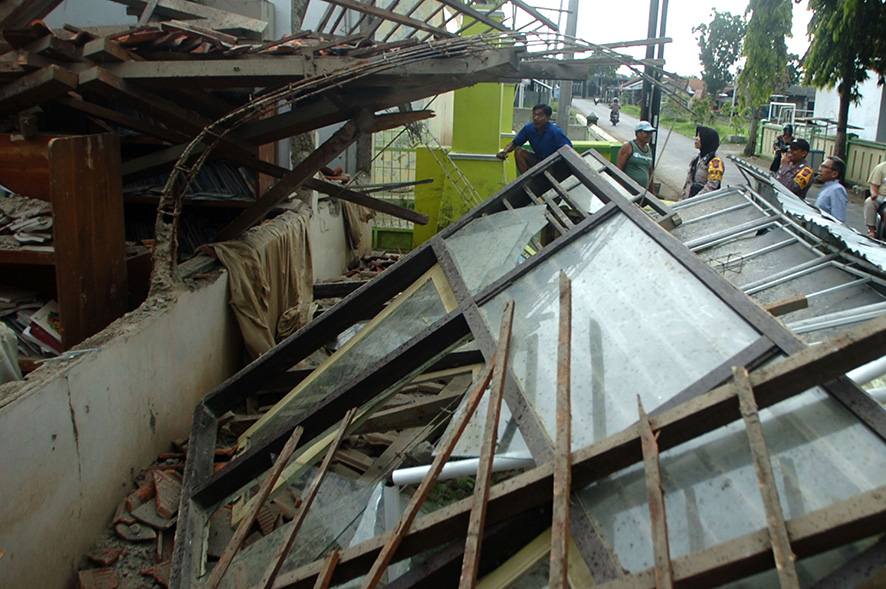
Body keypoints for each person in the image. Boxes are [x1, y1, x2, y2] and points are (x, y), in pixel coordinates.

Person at [497, 103, 572, 174]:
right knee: (519, 152)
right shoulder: (528, 128)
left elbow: (568, 150)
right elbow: (515, 143)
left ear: (548, 118)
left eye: (540, 116)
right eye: (534, 114)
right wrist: (505, 151)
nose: (536, 118)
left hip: (554, 164)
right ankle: (526, 180)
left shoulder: (555, 131)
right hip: (540, 161)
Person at [681, 126, 724, 200]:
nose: (696, 138)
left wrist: (695, 200)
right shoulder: (696, 159)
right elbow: (688, 183)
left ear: (707, 140)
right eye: (697, 135)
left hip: (703, 202)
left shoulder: (714, 162)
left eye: (700, 136)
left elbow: (712, 186)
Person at [617, 121, 656, 194]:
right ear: (638, 133)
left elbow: (650, 172)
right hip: (628, 191)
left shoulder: (648, 149)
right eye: (646, 132)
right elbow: (619, 170)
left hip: (642, 192)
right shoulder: (628, 147)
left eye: (651, 133)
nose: (649, 135)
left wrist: (653, 193)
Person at [814, 156, 848, 222]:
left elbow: (838, 219)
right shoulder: (827, 188)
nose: (820, 169)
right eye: (821, 166)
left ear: (834, 174)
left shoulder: (837, 189)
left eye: (824, 167)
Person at [865, 160, 886, 238]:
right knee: (870, 202)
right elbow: (874, 185)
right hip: (882, 196)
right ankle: (872, 231)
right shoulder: (881, 168)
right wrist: (874, 193)